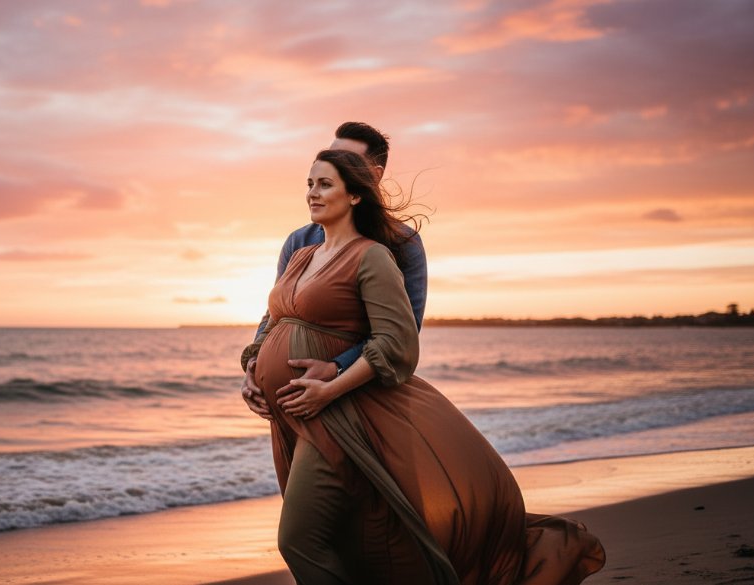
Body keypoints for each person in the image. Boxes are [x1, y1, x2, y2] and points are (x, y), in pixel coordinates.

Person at [239, 149, 605, 584]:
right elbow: (273, 322)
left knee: (297, 539)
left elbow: (396, 342)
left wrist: (331, 387)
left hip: (338, 418)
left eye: (324, 184)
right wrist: (252, 369)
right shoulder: (301, 257)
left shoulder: (371, 256)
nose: (312, 194)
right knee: (335, 537)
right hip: (291, 417)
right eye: (309, 184)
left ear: (355, 195)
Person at [241, 122, 427, 422]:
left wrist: (336, 368)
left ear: (371, 177)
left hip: (353, 397)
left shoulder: (400, 244)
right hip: (293, 401)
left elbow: (402, 333)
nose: (333, 165)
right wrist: (254, 366)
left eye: (347, 162)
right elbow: (274, 316)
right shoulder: (299, 242)